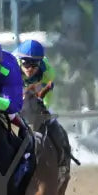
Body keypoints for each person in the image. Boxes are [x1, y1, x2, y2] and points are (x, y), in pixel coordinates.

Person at [15, 38, 72, 172]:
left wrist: (43, 108)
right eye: (26, 64)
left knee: (52, 123)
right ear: (19, 61)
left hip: (36, 98)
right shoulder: (12, 67)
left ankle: (62, 158)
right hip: (17, 95)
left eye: (34, 65)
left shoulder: (48, 73)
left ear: (40, 63)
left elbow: (47, 97)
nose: (29, 69)